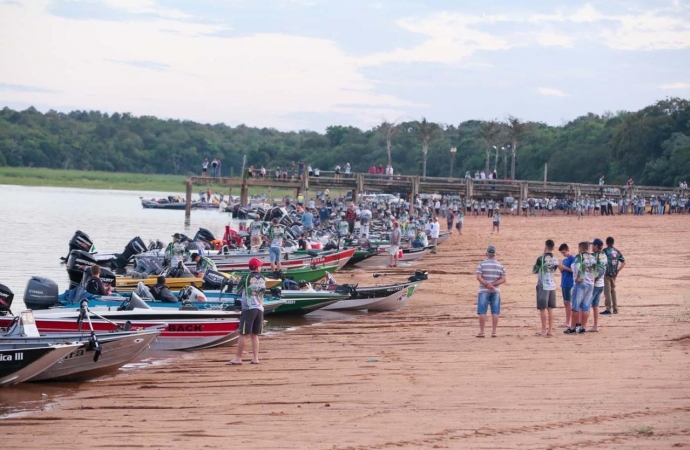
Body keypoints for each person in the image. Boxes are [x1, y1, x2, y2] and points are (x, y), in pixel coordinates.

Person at [227, 258, 265, 365]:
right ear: (257, 267)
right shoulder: (262, 278)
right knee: (255, 334)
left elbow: (237, 290)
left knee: (243, 334)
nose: (261, 267)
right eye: (260, 266)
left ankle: (238, 358)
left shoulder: (246, 277)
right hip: (260, 308)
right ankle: (255, 358)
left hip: (249, 308)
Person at [475, 245, 506, 338]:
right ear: (495, 254)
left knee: (482, 311)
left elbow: (478, 277)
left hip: (483, 290)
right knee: (495, 311)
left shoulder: (482, 264)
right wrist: (493, 284)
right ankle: (494, 331)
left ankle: (482, 331)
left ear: (486, 254)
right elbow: (503, 279)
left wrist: (487, 284)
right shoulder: (500, 265)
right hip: (495, 290)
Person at [565, 242, 594, 334]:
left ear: (580, 249)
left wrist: (578, 277)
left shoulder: (579, 257)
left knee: (575, 306)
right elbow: (597, 269)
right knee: (586, 307)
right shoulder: (593, 257)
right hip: (590, 283)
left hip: (581, 283)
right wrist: (593, 278)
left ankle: (573, 327)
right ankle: (583, 327)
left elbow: (577, 266)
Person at [532, 240, 559, 337]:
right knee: (550, 308)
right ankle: (550, 330)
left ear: (545, 247)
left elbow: (534, 270)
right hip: (552, 285)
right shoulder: (555, 259)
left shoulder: (541, 258)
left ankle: (544, 329)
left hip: (543, 285)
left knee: (542, 308)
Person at [602, 236, 626, 315]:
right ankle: (615, 308)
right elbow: (624, 262)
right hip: (614, 274)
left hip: (607, 273)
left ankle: (608, 308)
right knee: (613, 291)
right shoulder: (617, 251)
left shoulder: (605, 251)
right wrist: (618, 271)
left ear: (606, 243)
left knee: (607, 291)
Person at [589, 238, 607, 331]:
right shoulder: (604, 255)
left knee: (586, 305)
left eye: (592, 245)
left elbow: (600, 270)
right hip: (601, 284)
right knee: (595, 305)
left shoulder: (596, 256)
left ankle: (581, 326)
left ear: (596, 246)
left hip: (595, 284)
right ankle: (595, 326)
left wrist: (594, 279)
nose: (591, 247)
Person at [558, 243, 575, 328]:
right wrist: (560, 268)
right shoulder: (565, 260)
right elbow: (563, 272)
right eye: (562, 253)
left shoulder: (572, 259)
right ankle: (567, 321)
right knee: (566, 302)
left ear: (568, 250)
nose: (563, 254)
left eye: (564, 252)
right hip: (564, 282)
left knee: (568, 302)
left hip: (569, 283)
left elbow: (574, 270)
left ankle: (569, 321)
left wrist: (564, 267)